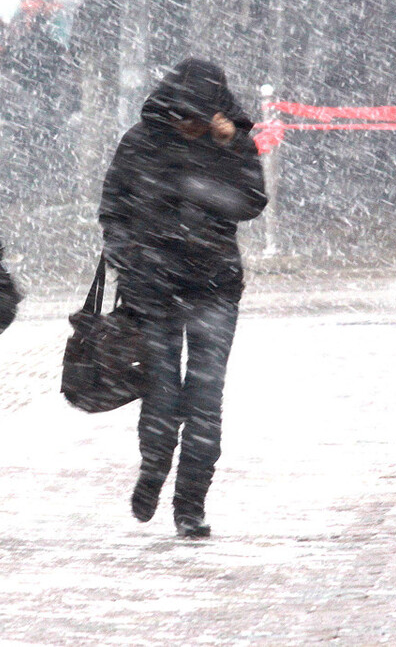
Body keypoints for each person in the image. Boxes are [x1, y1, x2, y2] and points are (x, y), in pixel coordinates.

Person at [98, 59, 267, 538]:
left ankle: (190, 503)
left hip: (214, 286)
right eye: (181, 116)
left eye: (197, 117)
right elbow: (112, 208)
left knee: (205, 399)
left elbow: (252, 202)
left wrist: (230, 147)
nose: (187, 126)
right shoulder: (142, 141)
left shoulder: (231, 143)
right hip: (152, 289)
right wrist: (128, 257)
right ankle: (153, 470)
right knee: (162, 394)